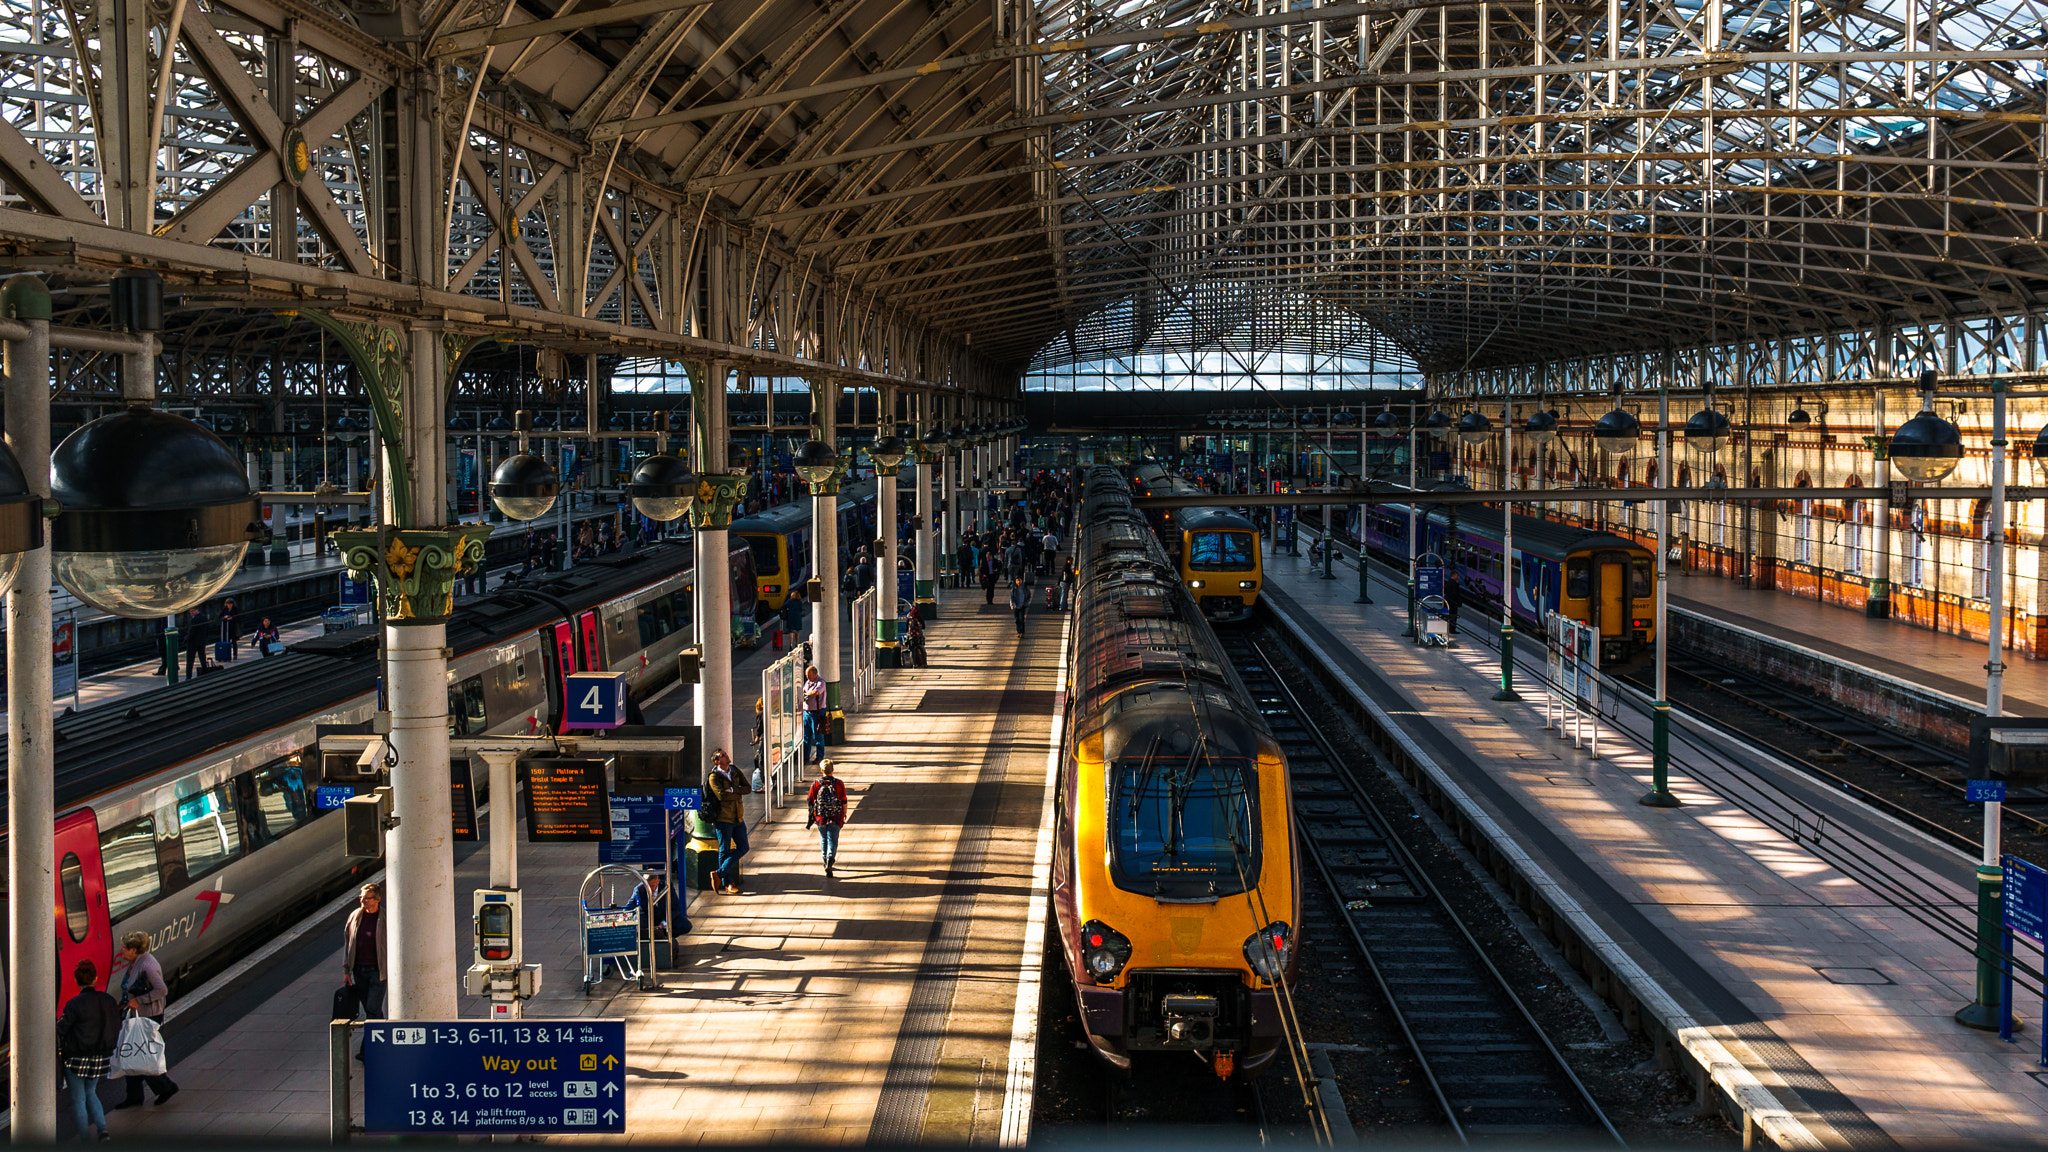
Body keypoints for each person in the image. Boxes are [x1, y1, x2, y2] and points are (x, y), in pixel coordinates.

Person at [112, 932, 178, 1109]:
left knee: (141, 1055)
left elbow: (161, 990)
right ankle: (134, 1096)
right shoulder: (135, 962)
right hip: (136, 1015)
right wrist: (124, 1002)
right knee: (133, 1054)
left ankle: (167, 1087)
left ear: (134, 950)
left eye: (124, 948)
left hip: (148, 1017)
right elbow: (131, 987)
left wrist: (138, 1001)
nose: (121, 950)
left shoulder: (147, 965)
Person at [58, 958, 119, 1143]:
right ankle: (103, 1131)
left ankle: (85, 1138)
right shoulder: (108, 1000)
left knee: (78, 1099)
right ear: (95, 977)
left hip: (76, 1059)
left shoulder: (74, 1004)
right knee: (91, 1093)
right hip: (100, 1059)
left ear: (77, 981)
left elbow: (61, 1028)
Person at [342, 883, 387, 1060]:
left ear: (377, 899)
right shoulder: (355, 916)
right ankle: (380, 1045)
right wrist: (347, 970)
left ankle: (368, 1050)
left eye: (366, 898)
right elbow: (348, 943)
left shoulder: (385, 918)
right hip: (359, 971)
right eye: (361, 897)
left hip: (378, 971)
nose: (362, 901)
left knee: (372, 1008)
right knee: (373, 1013)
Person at [706, 749, 750, 894]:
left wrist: (733, 790)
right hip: (723, 819)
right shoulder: (714, 777)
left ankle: (719, 873)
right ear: (717, 761)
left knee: (744, 847)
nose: (727, 756)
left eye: (726, 754)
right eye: (723, 756)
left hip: (738, 817)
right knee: (724, 851)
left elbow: (748, 788)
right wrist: (737, 793)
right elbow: (722, 796)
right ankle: (728, 883)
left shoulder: (734, 770)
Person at [805, 759, 849, 876]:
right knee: (833, 840)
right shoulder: (839, 783)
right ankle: (830, 860)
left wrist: (812, 813)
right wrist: (844, 814)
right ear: (832, 770)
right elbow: (843, 800)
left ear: (821, 770)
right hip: (835, 816)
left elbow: (810, 799)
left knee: (823, 838)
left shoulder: (816, 784)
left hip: (820, 817)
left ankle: (825, 861)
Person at [801, 665, 827, 762]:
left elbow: (816, 692)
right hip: (807, 712)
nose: (807, 677)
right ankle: (805, 756)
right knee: (806, 735)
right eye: (806, 675)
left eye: (809, 675)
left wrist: (805, 694)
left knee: (818, 735)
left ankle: (819, 756)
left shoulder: (821, 682)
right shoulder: (808, 682)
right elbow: (804, 690)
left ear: (815, 674)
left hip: (817, 713)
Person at [182, 606, 210, 679]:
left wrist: (186, 639)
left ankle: (188, 676)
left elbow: (192, 632)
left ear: (196, 610)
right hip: (201, 641)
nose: (191, 613)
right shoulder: (204, 617)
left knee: (190, 660)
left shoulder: (194, 620)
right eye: (190, 611)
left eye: (192, 611)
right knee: (202, 657)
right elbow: (207, 629)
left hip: (192, 643)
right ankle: (205, 672)